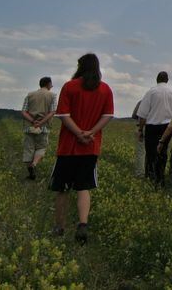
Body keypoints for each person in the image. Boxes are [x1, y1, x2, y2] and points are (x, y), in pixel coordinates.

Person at [50, 53, 114, 245]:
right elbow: (108, 115)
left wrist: (78, 133)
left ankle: (59, 227)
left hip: (68, 147)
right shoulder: (105, 89)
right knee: (84, 187)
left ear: (80, 66)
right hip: (91, 147)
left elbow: (63, 114)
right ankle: (83, 224)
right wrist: (91, 132)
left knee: (62, 189)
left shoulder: (70, 86)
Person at [137, 71, 172, 186]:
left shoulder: (151, 92)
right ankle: (160, 178)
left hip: (152, 126)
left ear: (157, 79)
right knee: (163, 152)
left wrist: (140, 129)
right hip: (166, 127)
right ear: (167, 80)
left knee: (150, 153)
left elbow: (143, 114)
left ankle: (150, 177)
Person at [21, 76, 56, 180]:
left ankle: (30, 172)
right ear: (48, 84)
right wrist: (41, 123)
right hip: (43, 127)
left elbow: (23, 111)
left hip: (29, 126)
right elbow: (52, 112)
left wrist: (33, 121)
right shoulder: (52, 95)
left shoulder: (30, 94)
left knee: (28, 149)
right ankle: (34, 164)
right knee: (41, 147)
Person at [131, 99, 146, 178]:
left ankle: (140, 173)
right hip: (154, 128)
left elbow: (134, 115)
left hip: (141, 127)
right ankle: (150, 171)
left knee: (141, 152)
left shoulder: (141, 102)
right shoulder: (160, 103)